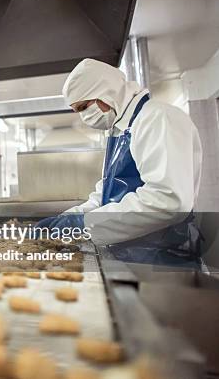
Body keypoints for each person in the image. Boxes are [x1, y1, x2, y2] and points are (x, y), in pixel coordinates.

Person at [35, 58, 203, 266]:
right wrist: (69, 217)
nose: (83, 117)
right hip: (132, 256)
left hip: (165, 260)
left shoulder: (158, 119)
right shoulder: (121, 131)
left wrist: (83, 224)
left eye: (83, 107)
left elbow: (167, 200)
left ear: (105, 93)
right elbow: (105, 196)